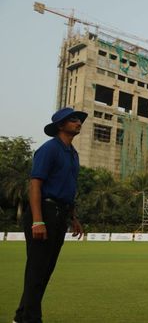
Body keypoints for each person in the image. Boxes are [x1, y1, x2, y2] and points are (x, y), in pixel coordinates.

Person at [13, 107, 87, 323]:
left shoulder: (73, 154)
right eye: (72, 120)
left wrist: (73, 217)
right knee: (37, 269)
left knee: (44, 271)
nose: (78, 123)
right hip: (44, 212)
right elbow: (35, 184)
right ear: (60, 126)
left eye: (79, 120)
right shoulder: (49, 149)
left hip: (61, 214)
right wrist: (38, 220)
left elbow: (68, 188)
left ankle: (21, 316)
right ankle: (31, 319)